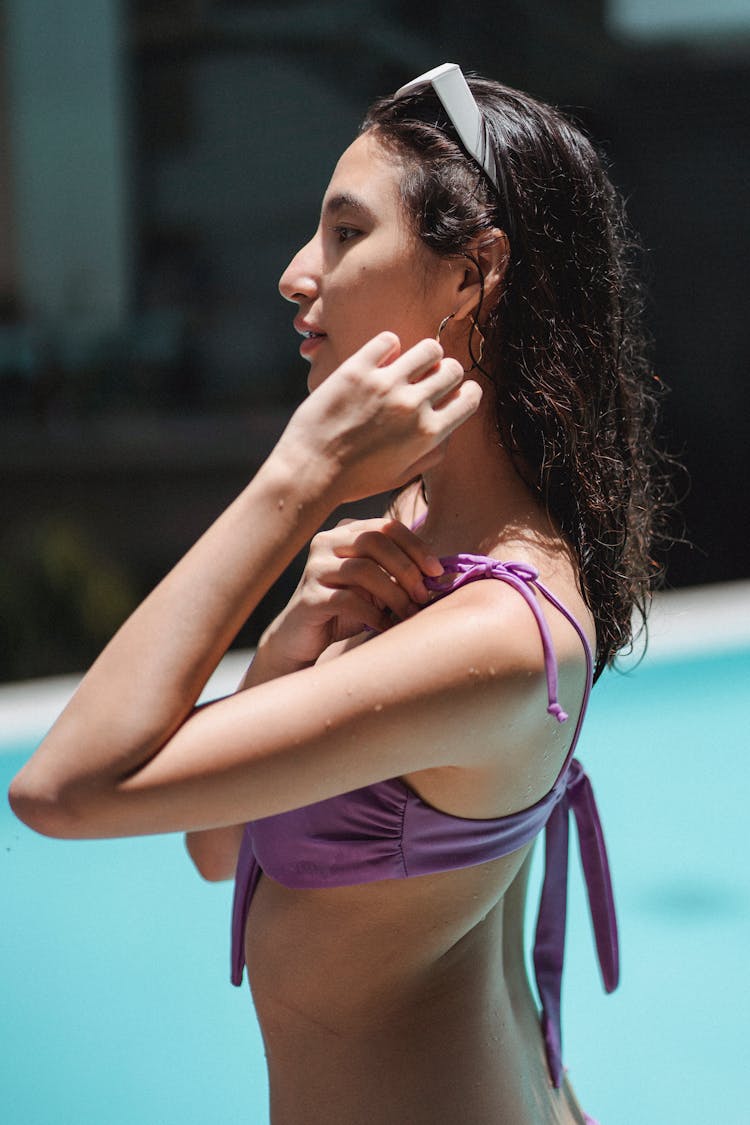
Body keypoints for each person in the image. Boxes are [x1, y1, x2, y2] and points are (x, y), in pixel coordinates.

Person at [8, 64, 664, 1125]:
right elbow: (219, 845)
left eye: (346, 234)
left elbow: (60, 792)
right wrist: (283, 645)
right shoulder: (417, 548)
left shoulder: (499, 633)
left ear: (474, 274)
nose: (294, 273)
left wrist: (292, 480)